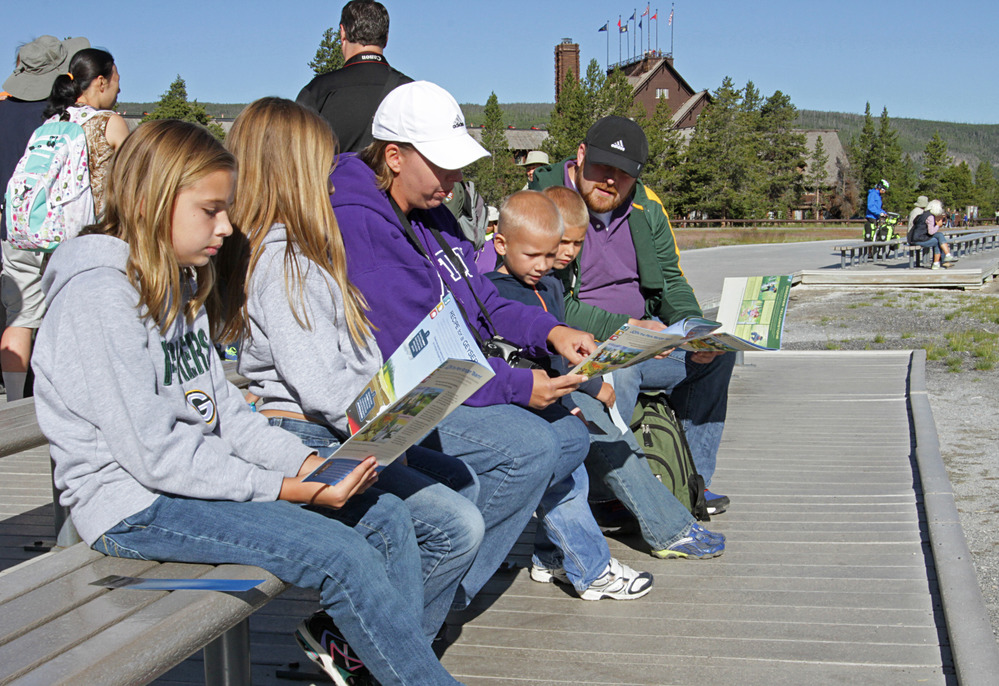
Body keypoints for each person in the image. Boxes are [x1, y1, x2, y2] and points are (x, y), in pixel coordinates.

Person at [30, 119, 460, 686]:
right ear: (151, 202)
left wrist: (307, 465)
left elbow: (225, 414)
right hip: (132, 507)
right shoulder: (99, 297)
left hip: (183, 484)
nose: (229, 226)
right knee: (344, 555)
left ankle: (380, 670)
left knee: (381, 515)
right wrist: (288, 489)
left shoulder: (174, 283)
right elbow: (157, 457)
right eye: (211, 210)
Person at [330, 80, 654, 607]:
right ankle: (422, 603)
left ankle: (438, 591)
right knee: (533, 448)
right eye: (443, 165)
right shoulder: (361, 226)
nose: (455, 180)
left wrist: (551, 330)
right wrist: (519, 386)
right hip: (398, 400)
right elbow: (421, 357)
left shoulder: (430, 213)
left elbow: (484, 300)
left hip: (453, 380)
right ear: (393, 156)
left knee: (569, 439)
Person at [222, 98, 484, 645]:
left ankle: (376, 641)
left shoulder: (299, 254)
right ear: (295, 175)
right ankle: (376, 650)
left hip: (331, 425)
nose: (336, 181)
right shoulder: (285, 261)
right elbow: (323, 389)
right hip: (309, 433)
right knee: (456, 526)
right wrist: (394, 429)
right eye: (324, 169)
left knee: (461, 479)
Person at [488, 189, 723, 562]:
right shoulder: (494, 292)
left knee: (608, 428)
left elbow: (563, 351)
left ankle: (551, 554)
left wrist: (597, 381)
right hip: (529, 394)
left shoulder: (549, 285)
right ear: (502, 244)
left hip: (566, 385)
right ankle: (667, 529)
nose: (548, 262)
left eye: (557, 251)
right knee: (606, 434)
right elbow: (518, 360)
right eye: (539, 253)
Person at [529, 115, 735, 514]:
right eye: (603, 167)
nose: (611, 180)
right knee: (620, 371)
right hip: (578, 345)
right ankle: (606, 493)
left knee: (714, 361)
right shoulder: (548, 201)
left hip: (646, 339)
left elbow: (672, 280)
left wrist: (693, 329)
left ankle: (691, 482)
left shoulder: (646, 205)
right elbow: (547, 299)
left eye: (623, 174)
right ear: (581, 155)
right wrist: (624, 329)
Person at [1, 35, 89, 401]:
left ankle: (14, 401)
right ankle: (52, 399)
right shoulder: (58, 117)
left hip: (10, 225)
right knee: (56, 312)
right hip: (52, 226)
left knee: (18, 313)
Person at [296, 0, 412, 153]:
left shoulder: (318, 91)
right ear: (386, 38)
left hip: (330, 176)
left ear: (342, 32)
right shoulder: (410, 92)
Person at [910, 199, 957, 270]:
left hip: (916, 237)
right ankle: (941, 259)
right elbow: (931, 232)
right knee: (937, 240)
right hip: (919, 239)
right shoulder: (930, 217)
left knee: (939, 235)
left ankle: (941, 260)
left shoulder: (923, 214)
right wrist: (938, 225)